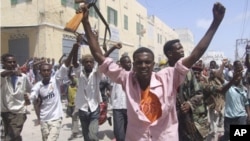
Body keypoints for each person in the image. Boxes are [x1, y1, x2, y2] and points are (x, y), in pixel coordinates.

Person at [80, 2, 225, 141]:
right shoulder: (126, 78)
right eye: (139, 62)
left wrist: (215, 23)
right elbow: (99, 57)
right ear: (134, 65)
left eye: (147, 62)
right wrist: (85, 22)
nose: (143, 66)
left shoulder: (168, 76)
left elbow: (195, 55)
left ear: (153, 64)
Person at [29, 63, 64, 141]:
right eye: (44, 71)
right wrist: (29, 99)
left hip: (56, 118)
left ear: (51, 72)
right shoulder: (38, 86)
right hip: (44, 119)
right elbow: (33, 95)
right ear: (40, 72)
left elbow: (64, 67)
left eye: (48, 70)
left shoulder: (56, 81)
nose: (46, 72)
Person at [0, 53, 32, 141]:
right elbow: (2, 74)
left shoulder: (23, 77)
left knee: (11, 136)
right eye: (9, 62)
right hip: (4, 112)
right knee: (8, 135)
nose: (12, 64)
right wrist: (13, 72)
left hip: (19, 112)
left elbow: (31, 90)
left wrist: (28, 99)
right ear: (4, 63)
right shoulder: (2, 74)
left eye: (14, 62)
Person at [217, 60, 250, 141]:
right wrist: (223, 65)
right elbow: (218, 78)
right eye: (236, 71)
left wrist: (249, 114)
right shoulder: (228, 84)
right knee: (227, 137)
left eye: (240, 72)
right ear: (233, 72)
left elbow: (246, 103)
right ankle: (221, 138)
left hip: (241, 117)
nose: (238, 74)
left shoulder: (244, 89)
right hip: (229, 117)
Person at [110, 55, 131, 141]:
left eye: (130, 62)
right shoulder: (116, 76)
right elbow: (113, 91)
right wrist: (111, 105)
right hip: (118, 107)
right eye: (127, 62)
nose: (129, 64)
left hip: (130, 108)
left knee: (129, 131)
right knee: (119, 133)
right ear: (121, 64)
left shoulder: (134, 75)